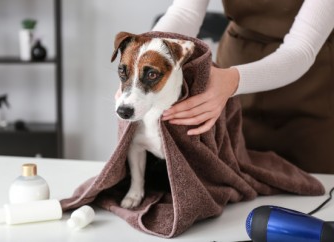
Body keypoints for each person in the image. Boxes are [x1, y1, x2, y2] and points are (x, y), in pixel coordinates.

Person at [127, 0, 334, 173]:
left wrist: (233, 81)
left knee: (314, 193)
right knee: (231, 183)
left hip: (308, 92)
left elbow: (301, 50)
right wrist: (145, 53)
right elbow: (185, 12)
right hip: (233, 69)